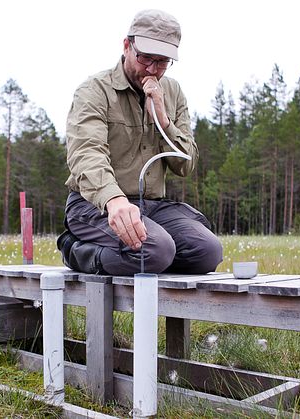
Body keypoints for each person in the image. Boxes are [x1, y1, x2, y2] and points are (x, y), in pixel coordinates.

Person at [57, 9, 222, 276]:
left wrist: (163, 120)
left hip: (153, 206)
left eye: (162, 62)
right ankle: (75, 249)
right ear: (126, 46)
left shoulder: (173, 92)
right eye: (145, 58)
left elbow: (185, 165)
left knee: (207, 252)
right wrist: (114, 200)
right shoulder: (94, 90)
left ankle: (144, 258)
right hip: (96, 204)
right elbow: (86, 154)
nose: (152, 70)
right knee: (156, 249)